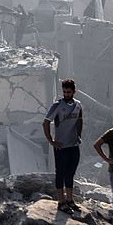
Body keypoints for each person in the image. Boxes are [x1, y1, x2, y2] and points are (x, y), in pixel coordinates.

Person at [43, 78, 83, 215]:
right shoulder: (58, 105)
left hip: (73, 144)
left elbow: (80, 120)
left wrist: (79, 135)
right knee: (60, 173)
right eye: (64, 92)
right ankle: (61, 202)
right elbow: (46, 122)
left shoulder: (78, 105)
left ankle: (70, 200)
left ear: (74, 91)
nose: (66, 94)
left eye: (69, 92)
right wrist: (51, 141)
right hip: (61, 146)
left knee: (70, 173)